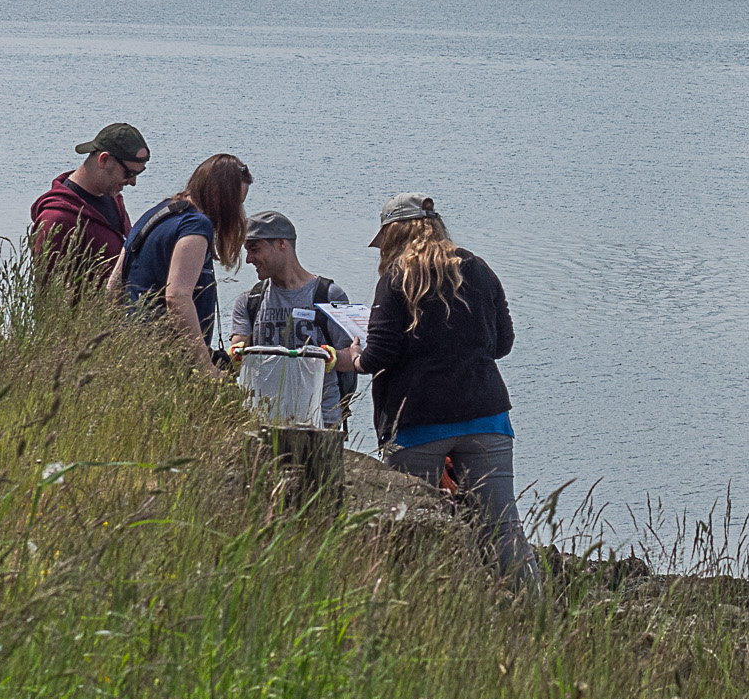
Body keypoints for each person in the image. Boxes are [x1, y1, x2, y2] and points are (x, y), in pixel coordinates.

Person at [335, 194, 535, 582]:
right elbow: (502, 344)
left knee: (414, 529)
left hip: (417, 423)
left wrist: (350, 359)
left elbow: (379, 356)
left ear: (393, 233)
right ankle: (538, 613)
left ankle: (423, 607)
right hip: (486, 417)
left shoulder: (396, 278)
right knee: (503, 529)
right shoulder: (478, 269)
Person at [113, 154, 251, 377]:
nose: (236, 213)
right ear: (219, 197)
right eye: (234, 204)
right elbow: (177, 296)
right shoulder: (196, 225)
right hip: (168, 362)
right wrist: (207, 369)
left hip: (132, 349)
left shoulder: (154, 214)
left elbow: (115, 284)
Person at [228, 210, 359, 431]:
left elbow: (353, 357)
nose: (249, 259)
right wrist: (237, 353)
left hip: (321, 421)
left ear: (281, 244)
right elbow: (238, 348)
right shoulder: (249, 301)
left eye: (254, 249)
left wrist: (332, 358)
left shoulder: (328, 295)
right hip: (264, 420)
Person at [28, 123, 149, 288]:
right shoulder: (56, 219)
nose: (133, 182)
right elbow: (47, 294)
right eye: (129, 173)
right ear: (104, 160)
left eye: (138, 173)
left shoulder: (114, 199)